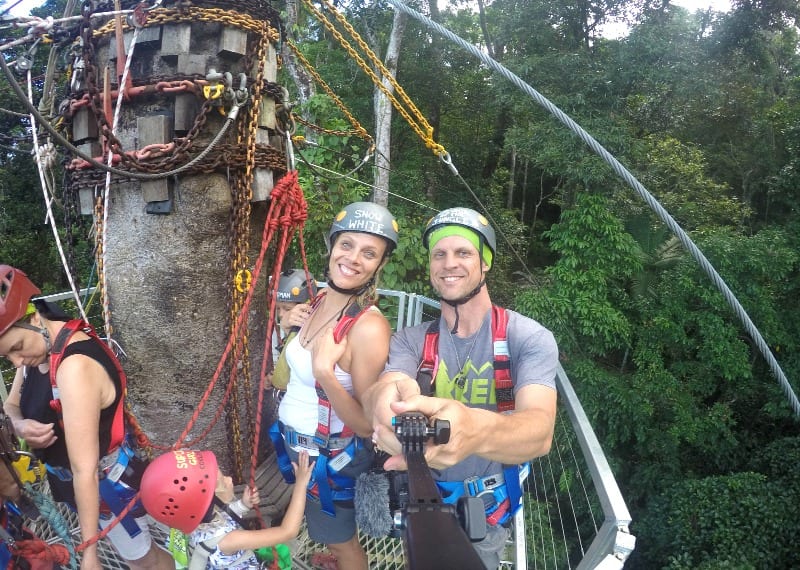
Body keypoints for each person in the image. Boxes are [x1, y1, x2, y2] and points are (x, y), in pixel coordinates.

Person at [363, 208, 559, 569]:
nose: (448, 263)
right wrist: (384, 402)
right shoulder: (411, 340)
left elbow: (540, 432)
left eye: (463, 253)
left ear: (485, 263)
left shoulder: (526, 338)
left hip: (483, 510)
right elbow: (385, 388)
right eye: (439, 254)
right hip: (417, 500)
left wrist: (475, 430)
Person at [0, 265, 174, 570]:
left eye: (17, 348)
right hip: (75, 485)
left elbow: (85, 468)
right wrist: (20, 424)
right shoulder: (38, 353)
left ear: (34, 317)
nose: (16, 361)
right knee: (139, 555)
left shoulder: (73, 367)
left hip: (104, 486)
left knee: (144, 560)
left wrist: (90, 553)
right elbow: (11, 407)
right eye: (7, 357)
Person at [269, 201, 399, 570]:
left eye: (369, 252)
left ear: (380, 264)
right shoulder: (320, 300)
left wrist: (326, 373)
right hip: (301, 450)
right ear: (331, 246)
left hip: (331, 458)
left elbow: (365, 424)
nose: (354, 258)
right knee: (328, 529)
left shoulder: (367, 329)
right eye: (347, 245)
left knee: (342, 543)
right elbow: (290, 371)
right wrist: (287, 324)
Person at [140, 448, 313, 569]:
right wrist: (301, 484)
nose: (230, 479)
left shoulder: (191, 522)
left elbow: (218, 524)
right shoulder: (229, 541)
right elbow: (288, 531)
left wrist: (242, 505)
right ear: (207, 504)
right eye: (223, 483)